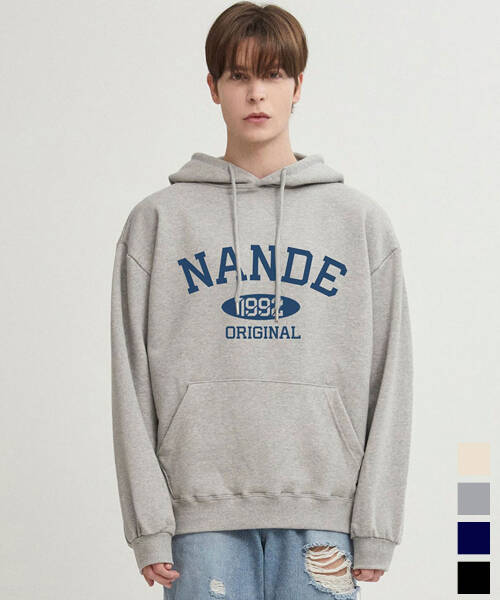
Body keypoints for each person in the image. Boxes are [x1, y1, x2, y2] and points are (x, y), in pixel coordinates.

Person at [110, 2, 413, 599]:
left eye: (272, 75)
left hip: (324, 515)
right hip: (198, 519)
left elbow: (391, 377)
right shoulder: (159, 223)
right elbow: (130, 380)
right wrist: (148, 525)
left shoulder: (358, 223)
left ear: (297, 85)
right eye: (238, 75)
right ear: (213, 87)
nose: (256, 93)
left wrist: (376, 526)